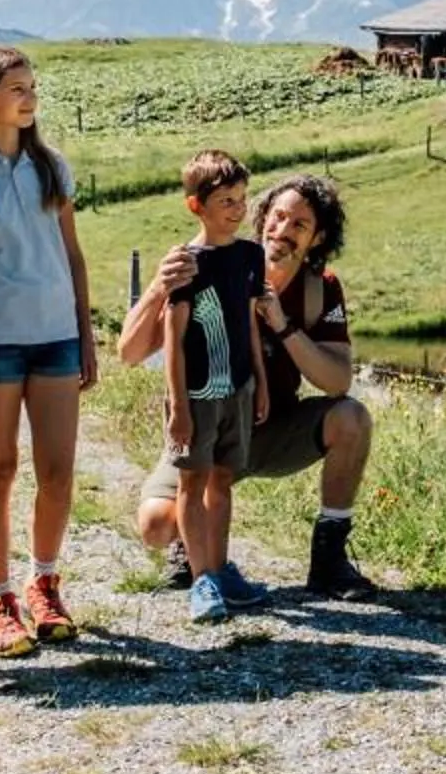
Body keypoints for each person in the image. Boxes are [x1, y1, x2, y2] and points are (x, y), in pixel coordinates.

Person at [125, 174, 374, 601]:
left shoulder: (320, 290)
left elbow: (337, 381)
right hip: (208, 426)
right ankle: (194, 550)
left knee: (352, 417)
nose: (282, 231)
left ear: (317, 239)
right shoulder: (209, 264)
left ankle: (329, 558)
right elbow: (129, 353)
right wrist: (156, 289)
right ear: (260, 219)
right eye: (277, 217)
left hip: (269, 428)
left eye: (299, 225)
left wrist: (282, 324)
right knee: (155, 526)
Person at [0, 47, 96, 660]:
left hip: (56, 333)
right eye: (17, 89)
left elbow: (74, 256)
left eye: (34, 87)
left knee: (57, 471)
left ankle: (45, 582)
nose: (30, 98)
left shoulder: (52, 167)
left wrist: (87, 335)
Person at [157, 149, 268, 628]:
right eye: (226, 200)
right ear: (195, 205)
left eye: (242, 199)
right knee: (191, 481)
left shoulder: (250, 255)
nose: (237, 209)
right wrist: (178, 406)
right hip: (198, 396)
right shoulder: (186, 263)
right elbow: (173, 338)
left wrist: (260, 382)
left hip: (238, 389)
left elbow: (249, 320)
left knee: (223, 478)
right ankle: (201, 579)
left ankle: (221, 570)